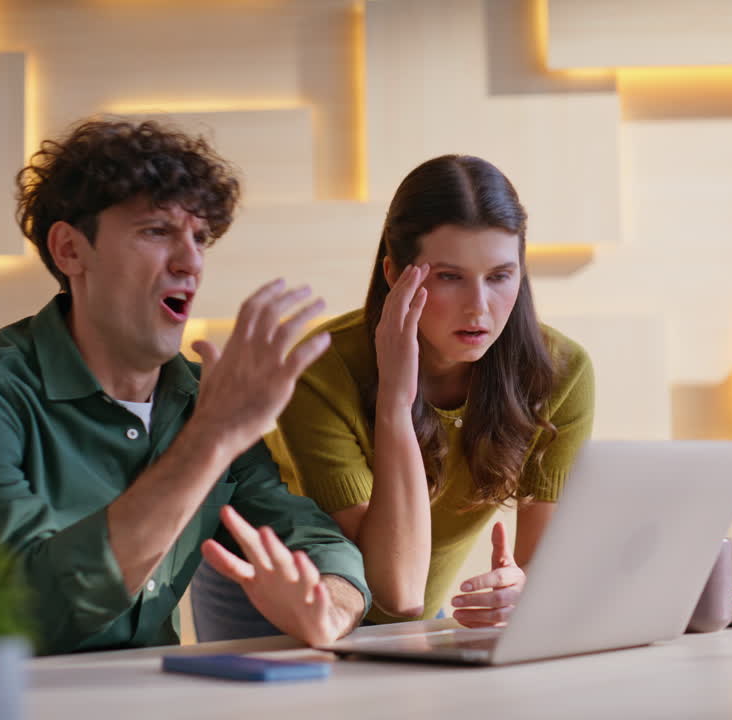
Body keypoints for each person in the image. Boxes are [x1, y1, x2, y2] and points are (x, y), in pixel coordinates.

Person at [0, 119, 369, 655]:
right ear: (70, 250)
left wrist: (329, 606)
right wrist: (209, 440)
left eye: (199, 237)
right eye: (156, 231)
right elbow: (25, 611)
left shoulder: (199, 400)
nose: (191, 261)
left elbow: (313, 539)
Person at [192, 154, 594, 637]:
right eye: (449, 276)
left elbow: (538, 573)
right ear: (394, 273)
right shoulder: (322, 370)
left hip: (412, 604)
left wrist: (520, 590)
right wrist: (395, 402)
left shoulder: (561, 373)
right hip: (277, 587)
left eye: (500, 276)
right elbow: (391, 588)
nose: (479, 307)